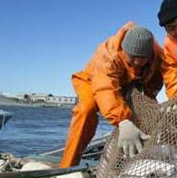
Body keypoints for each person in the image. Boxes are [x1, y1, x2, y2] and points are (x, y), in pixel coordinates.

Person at [59, 24, 163, 168]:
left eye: (142, 58)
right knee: (86, 109)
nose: (138, 62)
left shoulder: (157, 54)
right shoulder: (108, 55)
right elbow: (105, 89)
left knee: (145, 116)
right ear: (124, 50)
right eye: (133, 58)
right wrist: (123, 120)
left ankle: (133, 162)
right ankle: (67, 166)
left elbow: (158, 81)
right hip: (92, 81)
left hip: (127, 85)